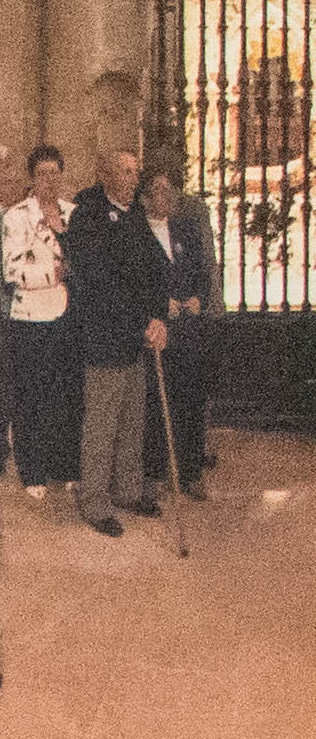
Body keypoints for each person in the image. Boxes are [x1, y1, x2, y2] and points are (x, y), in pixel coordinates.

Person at [67, 147, 170, 535]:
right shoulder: (88, 215)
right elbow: (100, 284)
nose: (132, 178)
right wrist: (142, 321)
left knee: (132, 422)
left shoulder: (134, 215)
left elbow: (157, 269)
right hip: (105, 339)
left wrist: (158, 317)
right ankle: (94, 504)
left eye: (135, 171)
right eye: (124, 171)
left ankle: (127, 491)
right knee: (102, 425)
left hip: (135, 339)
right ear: (105, 173)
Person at [0, 145, 81, 496]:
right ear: (32, 178)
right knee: (32, 395)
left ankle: (66, 465)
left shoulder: (75, 214)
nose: (49, 180)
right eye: (42, 173)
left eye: (55, 172)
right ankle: (33, 471)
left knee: (66, 393)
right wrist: (55, 271)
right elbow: (12, 270)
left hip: (68, 315)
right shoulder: (17, 217)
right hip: (30, 316)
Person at [144, 148, 214, 495]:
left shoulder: (185, 228)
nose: (165, 195)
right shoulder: (139, 234)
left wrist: (199, 297)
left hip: (189, 331)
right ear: (147, 195)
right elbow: (136, 282)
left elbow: (200, 272)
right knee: (159, 401)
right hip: (158, 330)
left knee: (190, 398)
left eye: (170, 188)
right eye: (158, 189)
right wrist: (160, 304)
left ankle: (190, 471)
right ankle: (156, 471)